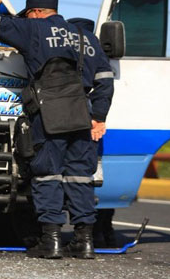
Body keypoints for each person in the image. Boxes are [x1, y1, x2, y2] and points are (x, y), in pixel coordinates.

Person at [0, 0, 114, 259]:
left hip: (49, 112)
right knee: (80, 176)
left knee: (47, 174)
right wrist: (99, 116)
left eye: (29, 14)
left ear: (37, 12)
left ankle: (50, 241)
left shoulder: (35, 29)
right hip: (82, 113)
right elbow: (105, 79)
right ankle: (84, 241)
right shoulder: (86, 37)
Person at [68, 17, 118, 249]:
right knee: (85, 176)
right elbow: (105, 87)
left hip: (58, 118)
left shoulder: (62, 46)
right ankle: (94, 234)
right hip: (90, 120)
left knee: (53, 175)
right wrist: (98, 117)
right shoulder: (97, 51)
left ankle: (53, 236)